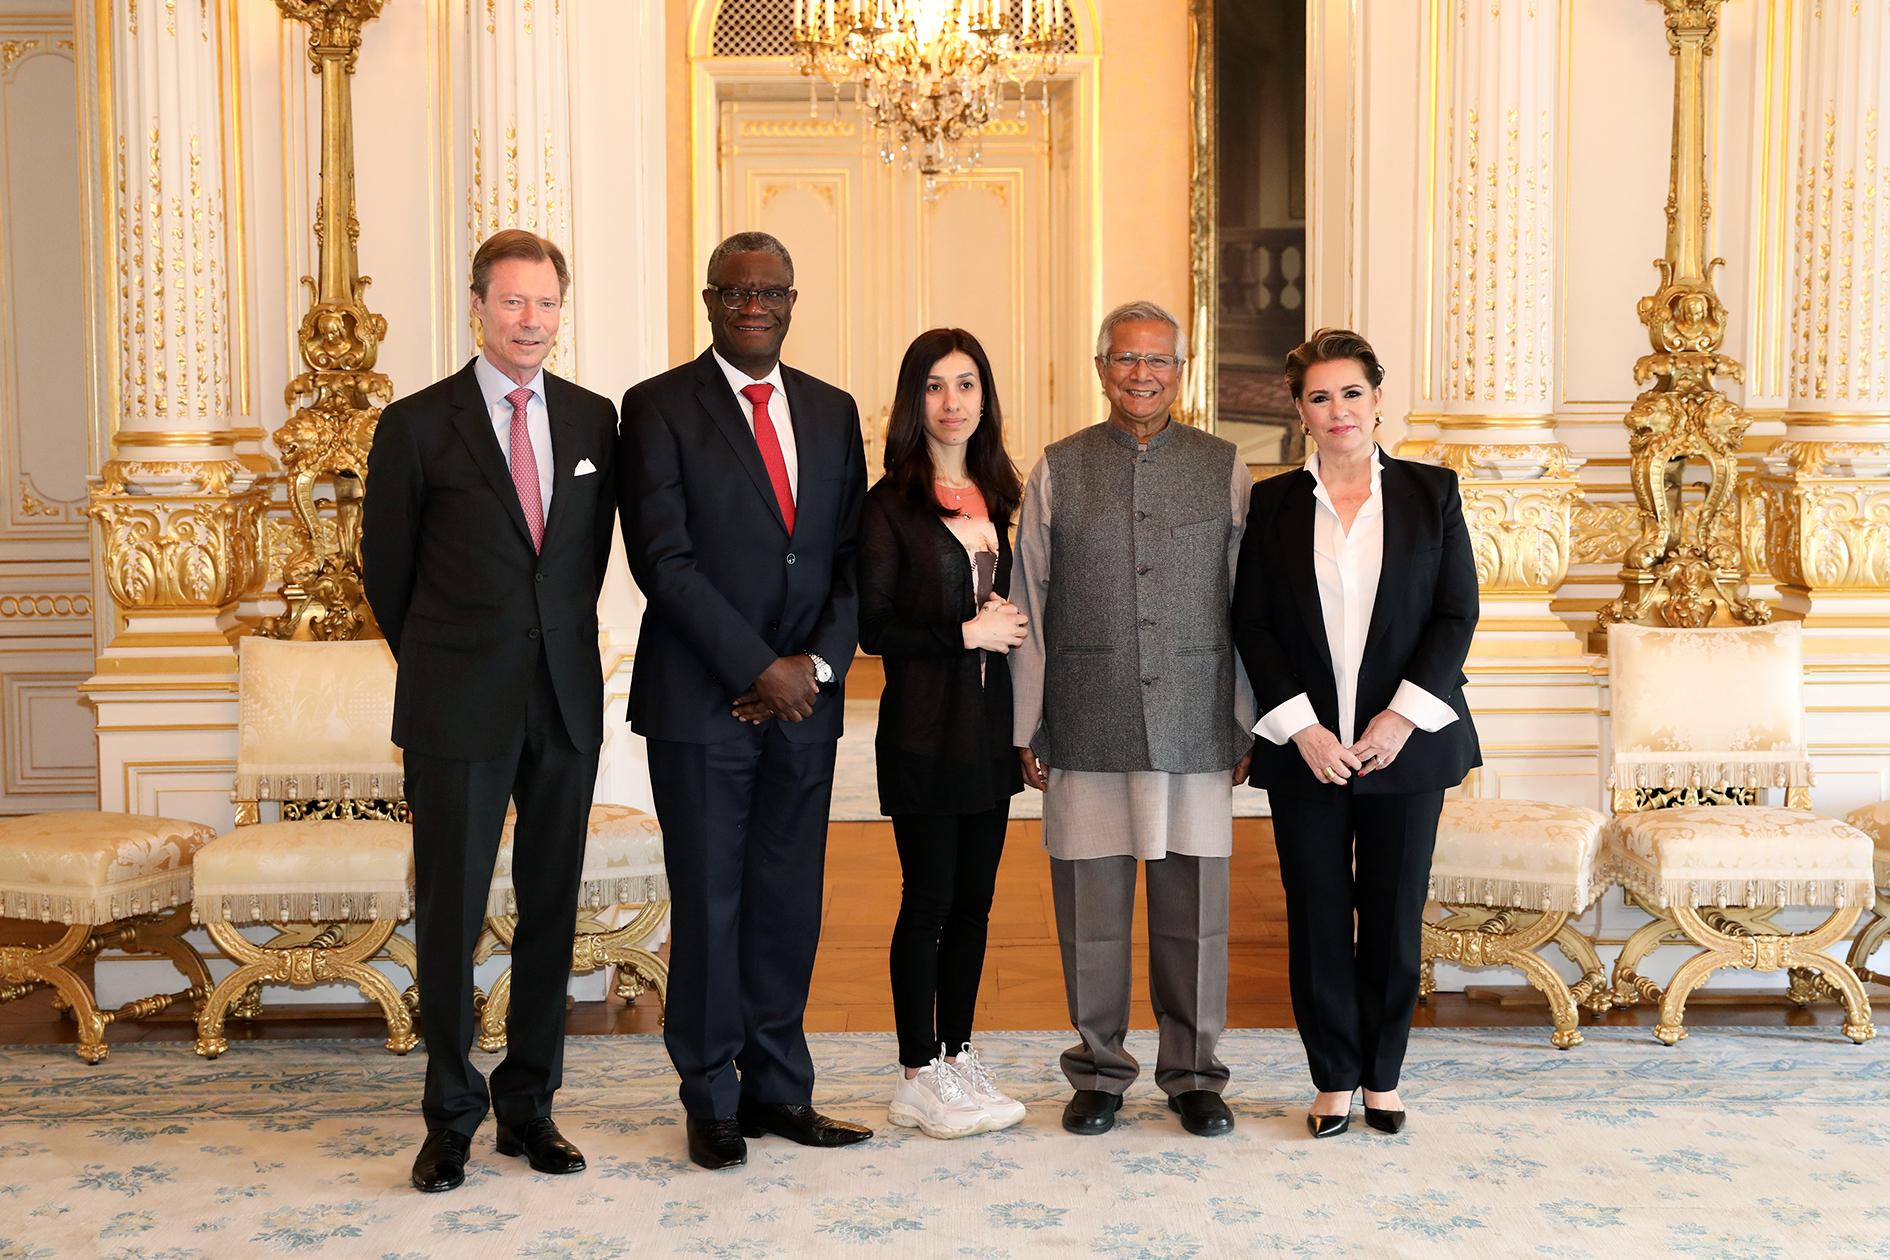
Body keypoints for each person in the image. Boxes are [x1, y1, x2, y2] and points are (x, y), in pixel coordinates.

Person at [363, 229, 617, 1193]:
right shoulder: (418, 424)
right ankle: (449, 1116)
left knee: (552, 910)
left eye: (546, 304)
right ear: (476, 307)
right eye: (512, 303)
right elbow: (387, 575)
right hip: (455, 705)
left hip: (563, 704)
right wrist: (455, 655)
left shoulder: (596, 422)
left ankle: (530, 1108)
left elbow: (578, 567)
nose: (531, 322)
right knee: (451, 916)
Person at [618, 230, 871, 1171]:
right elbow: (664, 562)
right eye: (735, 291)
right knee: (713, 901)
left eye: (769, 290)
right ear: (710, 300)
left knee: (787, 901)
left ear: (793, 299)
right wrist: (754, 669)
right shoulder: (656, 409)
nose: (753, 304)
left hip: (806, 703)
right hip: (702, 703)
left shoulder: (833, 411)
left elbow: (849, 561)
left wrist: (813, 670)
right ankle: (710, 1096)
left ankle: (779, 1091)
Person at [1010, 300, 1255, 1140]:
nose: (1141, 374)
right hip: (1087, 714)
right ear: (1101, 367)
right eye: (1125, 359)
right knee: (1092, 909)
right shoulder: (1058, 467)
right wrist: (1027, 723)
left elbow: (1245, 605)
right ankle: (1100, 1072)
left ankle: (1194, 1074)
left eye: (1158, 360)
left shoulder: (1223, 467)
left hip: (1195, 717)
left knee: (1196, 912)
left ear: (1181, 372)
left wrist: (1243, 720)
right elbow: (1029, 600)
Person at [1231, 327, 1481, 1139]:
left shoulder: (1430, 493)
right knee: (1315, 917)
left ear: (1378, 400)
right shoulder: (1270, 504)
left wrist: (1400, 716)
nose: (1337, 410)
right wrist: (1301, 730)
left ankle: (1384, 1075)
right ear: (1299, 410)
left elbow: (1455, 614)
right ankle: (1332, 1076)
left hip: (1404, 747)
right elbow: (1254, 625)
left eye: (1351, 393)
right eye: (1319, 396)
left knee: (1393, 914)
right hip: (1308, 749)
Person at [858, 328, 1029, 1140]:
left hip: (990, 735)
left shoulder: (1003, 493)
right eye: (934, 386)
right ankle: (916, 1073)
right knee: (926, 902)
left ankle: (959, 1057)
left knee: (975, 905)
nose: (952, 402)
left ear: (985, 398)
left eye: (967, 384)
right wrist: (965, 633)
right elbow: (875, 626)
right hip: (924, 733)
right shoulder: (888, 502)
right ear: (911, 399)